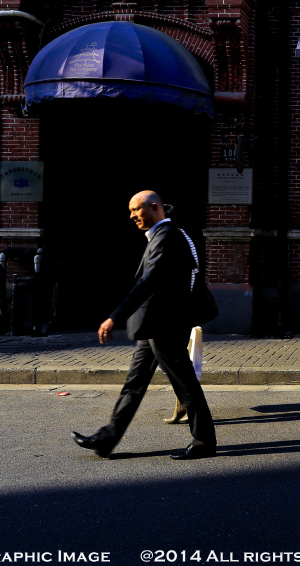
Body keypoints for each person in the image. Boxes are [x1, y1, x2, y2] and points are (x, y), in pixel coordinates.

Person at [71, 190, 217, 459]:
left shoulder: (167, 236)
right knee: (134, 383)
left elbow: (148, 281)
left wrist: (115, 316)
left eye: (136, 210)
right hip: (153, 324)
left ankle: (204, 442)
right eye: (131, 210)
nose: (132, 216)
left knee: (185, 383)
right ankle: (107, 439)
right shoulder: (162, 236)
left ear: (154, 208)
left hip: (166, 324)